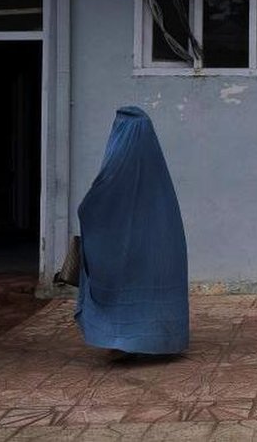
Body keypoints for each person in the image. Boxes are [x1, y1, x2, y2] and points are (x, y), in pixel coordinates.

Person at [75, 106, 189, 356]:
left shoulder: (116, 166)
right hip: (158, 242)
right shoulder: (157, 169)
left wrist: (86, 210)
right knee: (147, 283)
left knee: (123, 284)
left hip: (121, 242)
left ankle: (123, 341)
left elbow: (98, 201)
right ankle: (155, 340)